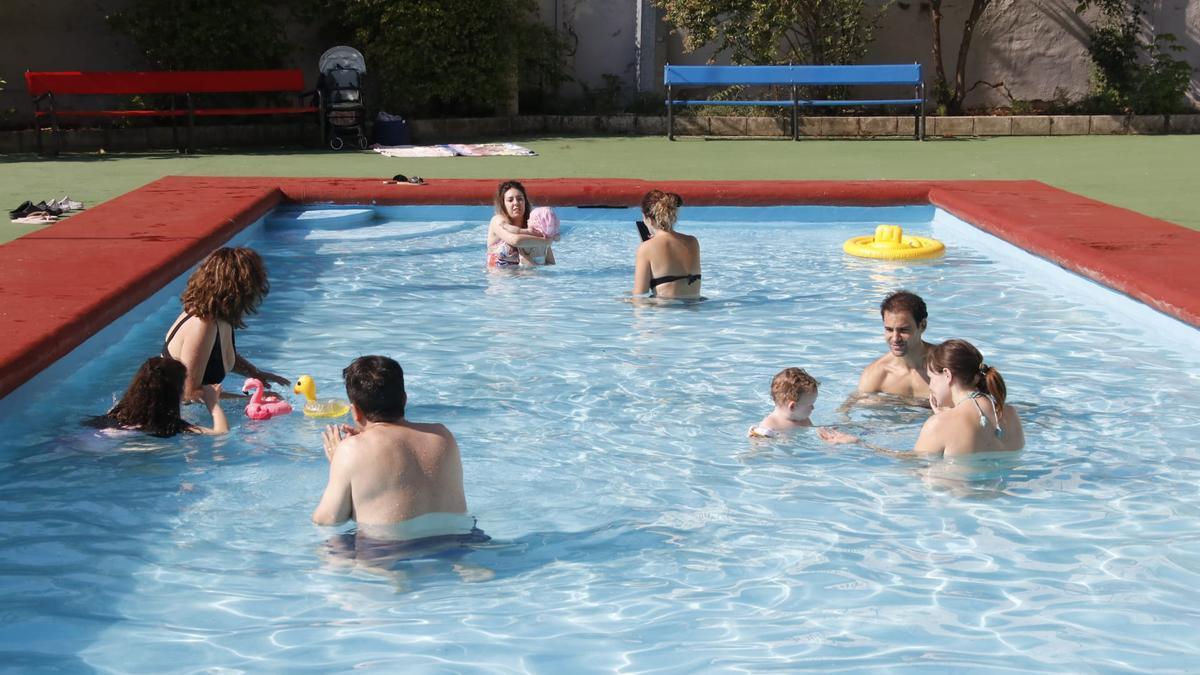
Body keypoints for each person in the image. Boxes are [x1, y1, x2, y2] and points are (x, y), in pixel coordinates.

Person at [312, 356, 470, 530]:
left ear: (355, 411)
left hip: (388, 551)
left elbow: (328, 520)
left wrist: (340, 463)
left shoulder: (351, 450)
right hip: (458, 542)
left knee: (330, 550)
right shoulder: (442, 435)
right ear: (404, 399)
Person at [821, 339, 1025, 456]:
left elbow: (912, 464)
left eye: (932, 378)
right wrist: (947, 415)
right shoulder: (1010, 413)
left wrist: (858, 444)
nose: (931, 387)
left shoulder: (940, 424)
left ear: (947, 375)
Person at [162, 247, 288, 402]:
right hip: (165, 417)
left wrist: (255, 373)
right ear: (238, 290)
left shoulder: (220, 317)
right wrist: (249, 399)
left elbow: (217, 356)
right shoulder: (202, 325)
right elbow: (190, 394)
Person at [87, 356, 228, 436]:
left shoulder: (118, 413)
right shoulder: (169, 425)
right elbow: (221, 433)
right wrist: (213, 404)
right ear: (173, 394)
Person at [854, 290, 934, 399]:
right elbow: (847, 410)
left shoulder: (948, 365)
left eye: (904, 330)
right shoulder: (876, 374)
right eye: (889, 329)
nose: (895, 338)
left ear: (922, 325)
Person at [632, 189, 701, 298]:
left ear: (648, 219)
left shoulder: (646, 248)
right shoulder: (693, 242)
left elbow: (639, 296)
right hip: (695, 308)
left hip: (666, 312)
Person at [486, 180, 555, 268]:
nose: (516, 203)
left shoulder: (534, 226)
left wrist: (532, 266)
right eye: (510, 200)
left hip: (529, 279)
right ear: (503, 204)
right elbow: (516, 240)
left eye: (520, 199)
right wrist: (546, 241)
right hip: (501, 279)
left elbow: (551, 263)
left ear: (525, 202)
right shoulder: (498, 221)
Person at [748, 367, 820, 438]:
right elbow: (760, 445)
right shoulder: (770, 424)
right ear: (792, 407)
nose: (813, 408)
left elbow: (812, 434)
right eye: (810, 405)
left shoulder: (804, 419)